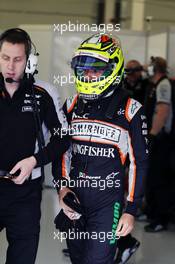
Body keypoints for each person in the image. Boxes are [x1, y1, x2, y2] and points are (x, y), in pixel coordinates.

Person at [54, 33, 148, 264]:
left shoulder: (131, 110)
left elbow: (140, 162)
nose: (88, 75)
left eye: (95, 69)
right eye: (83, 69)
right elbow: (62, 151)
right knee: (77, 259)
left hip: (107, 204)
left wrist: (131, 209)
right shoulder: (72, 105)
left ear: (113, 68)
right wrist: (62, 189)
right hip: (75, 200)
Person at [0, 28, 69, 264]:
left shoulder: (44, 93)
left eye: (17, 59)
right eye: (5, 58)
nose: (11, 66)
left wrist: (34, 161)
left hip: (25, 195)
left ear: (28, 61)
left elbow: (63, 138)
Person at [144, 56, 174, 232]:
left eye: (149, 67)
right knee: (152, 178)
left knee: (159, 179)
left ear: (154, 70)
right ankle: (152, 212)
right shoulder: (155, 85)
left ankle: (160, 218)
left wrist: (153, 134)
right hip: (156, 137)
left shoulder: (163, 85)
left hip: (161, 140)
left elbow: (162, 111)